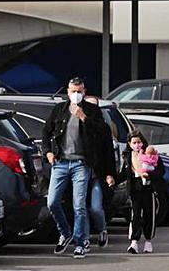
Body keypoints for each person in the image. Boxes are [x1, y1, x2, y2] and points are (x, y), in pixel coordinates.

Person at [41, 78, 114, 259]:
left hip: (81, 163)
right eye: (73, 91)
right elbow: (46, 131)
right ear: (67, 91)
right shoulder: (60, 110)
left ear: (84, 91)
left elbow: (102, 133)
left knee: (79, 205)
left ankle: (81, 242)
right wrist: (48, 152)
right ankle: (65, 233)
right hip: (60, 162)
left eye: (79, 91)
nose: (76, 94)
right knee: (52, 202)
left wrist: (83, 117)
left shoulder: (92, 110)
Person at [122, 131, 164, 254]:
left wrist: (150, 175)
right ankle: (134, 241)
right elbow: (124, 174)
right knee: (135, 215)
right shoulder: (128, 157)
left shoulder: (150, 154)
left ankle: (148, 241)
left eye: (139, 142)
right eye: (134, 142)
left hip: (148, 188)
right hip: (135, 190)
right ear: (129, 144)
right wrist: (112, 180)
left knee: (149, 215)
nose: (137, 145)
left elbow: (161, 171)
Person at [83, 94, 117, 248]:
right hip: (80, 172)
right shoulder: (77, 124)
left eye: (94, 106)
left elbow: (108, 152)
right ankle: (85, 238)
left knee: (95, 207)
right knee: (79, 206)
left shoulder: (103, 128)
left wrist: (110, 174)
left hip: (97, 173)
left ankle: (102, 229)